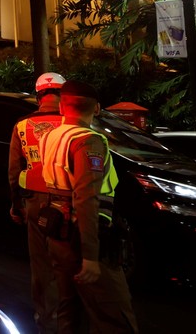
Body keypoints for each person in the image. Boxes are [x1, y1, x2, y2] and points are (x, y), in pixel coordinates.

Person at [27, 80, 137, 333]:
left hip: (58, 234)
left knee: (69, 309)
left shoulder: (50, 136)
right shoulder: (88, 141)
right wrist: (90, 256)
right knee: (115, 315)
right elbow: (86, 199)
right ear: (96, 109)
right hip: (83, 236)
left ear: (62, 107)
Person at [9, 72, 66, 333]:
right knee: (69, 263)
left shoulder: (22, 125)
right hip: (68, 202)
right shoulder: (72, 123)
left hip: (34, 202)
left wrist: (15, 204)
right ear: (62, 95)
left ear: (38, 95)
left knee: (41, 265)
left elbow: (14, 170)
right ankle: (70, 320)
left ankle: (46, 320)